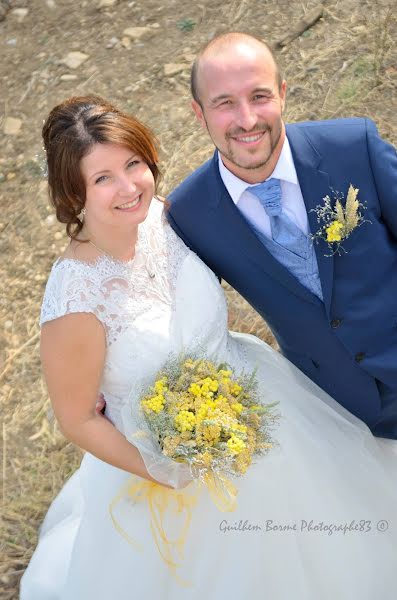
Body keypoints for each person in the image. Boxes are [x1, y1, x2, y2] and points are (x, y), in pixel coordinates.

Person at [20, 95, 397, 600]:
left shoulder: (167, 218)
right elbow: (76, 418)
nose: (130, 187)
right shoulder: (75, 299)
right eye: (102, 178)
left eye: (134, 164)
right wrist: (167, 471)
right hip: (178, 462)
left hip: (267, 406)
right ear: (73, 194)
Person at [168, 32, 397, 441]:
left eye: (259, 96)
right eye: (224, 103)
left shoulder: (354, 146)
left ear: (283, 94)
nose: (247, 119)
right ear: (198, 113)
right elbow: (188, 315)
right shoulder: (190, 213)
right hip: (334, 412)